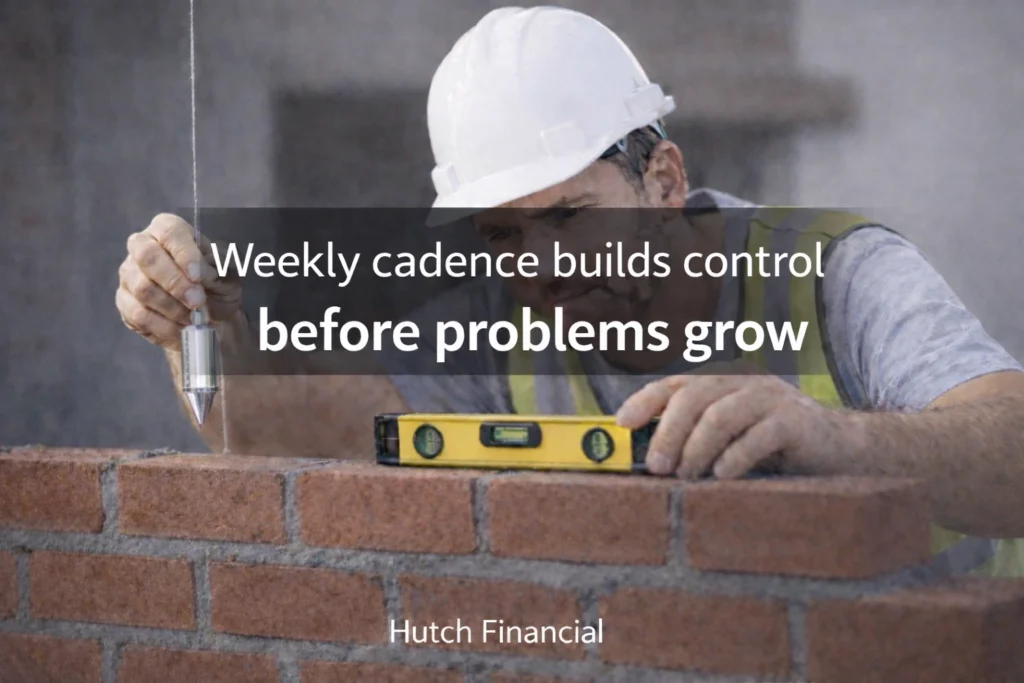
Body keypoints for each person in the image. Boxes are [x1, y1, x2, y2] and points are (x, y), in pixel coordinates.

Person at [116, 6, 1024, 575]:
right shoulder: (491, 315)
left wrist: (834, 439)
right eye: (503, 233)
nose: (542, 263)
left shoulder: (836, 275)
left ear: (663, 181)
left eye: (571, 215)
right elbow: (300, 432)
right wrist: (204, 333)